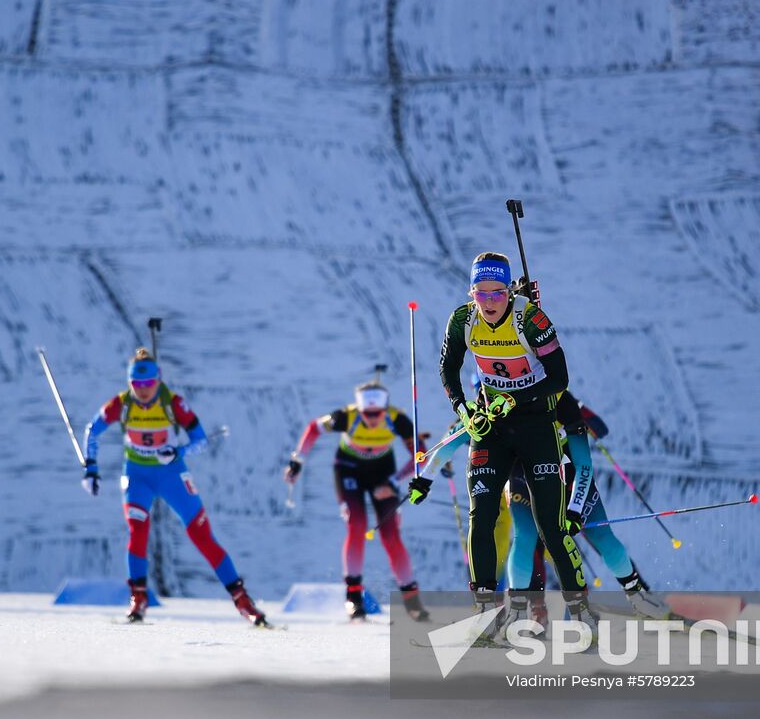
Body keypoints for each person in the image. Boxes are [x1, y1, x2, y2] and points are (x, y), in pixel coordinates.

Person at [427, 252, 595, 631]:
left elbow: (559, 378)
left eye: (497, 293)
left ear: (508, 292)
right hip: (491, 426)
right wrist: (464, 408)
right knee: (481, 514)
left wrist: (515, 398)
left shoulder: (529, 319)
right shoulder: (462, 319)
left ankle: (583, 615)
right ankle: (484, 613)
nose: (489, 302)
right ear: (472, 293)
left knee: (550, 526)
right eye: (481, 293)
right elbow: (447, 367)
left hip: (536, 424)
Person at [82, 348, 266, 626]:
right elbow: (91, 430)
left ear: (158, 380)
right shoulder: (121, 404)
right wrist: (91, 469)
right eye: (136, 385)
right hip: (137, 476)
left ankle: (242, 600)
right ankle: (139, 597)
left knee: (201, 536)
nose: (143, 391)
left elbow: (201, 440)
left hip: (171, 475)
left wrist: (179, 452)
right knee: (138, 531)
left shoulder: (174, 403)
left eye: (148, 384)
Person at [503, 392, 672, 628]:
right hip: (525, 486)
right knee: (528, 541)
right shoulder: (493, 407)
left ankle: (639, 596)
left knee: (602, 537)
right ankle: (530, 610)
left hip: (570, 483)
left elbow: (591, 450)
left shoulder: (560, 398)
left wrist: (573, 510)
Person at [285, 378, 428, 621]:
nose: (372, 420)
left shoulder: (398, 419)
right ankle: (353, 597)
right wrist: (297, 461)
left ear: (385, 410)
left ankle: (412, 601)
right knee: (357, 525)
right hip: (348, 469)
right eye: (367, 414)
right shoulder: (345, 417)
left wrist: (392, 483)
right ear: (359, 410)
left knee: (391, 535)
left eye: (377, 414)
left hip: (383, 473)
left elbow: (421, 457)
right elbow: (313, 429)